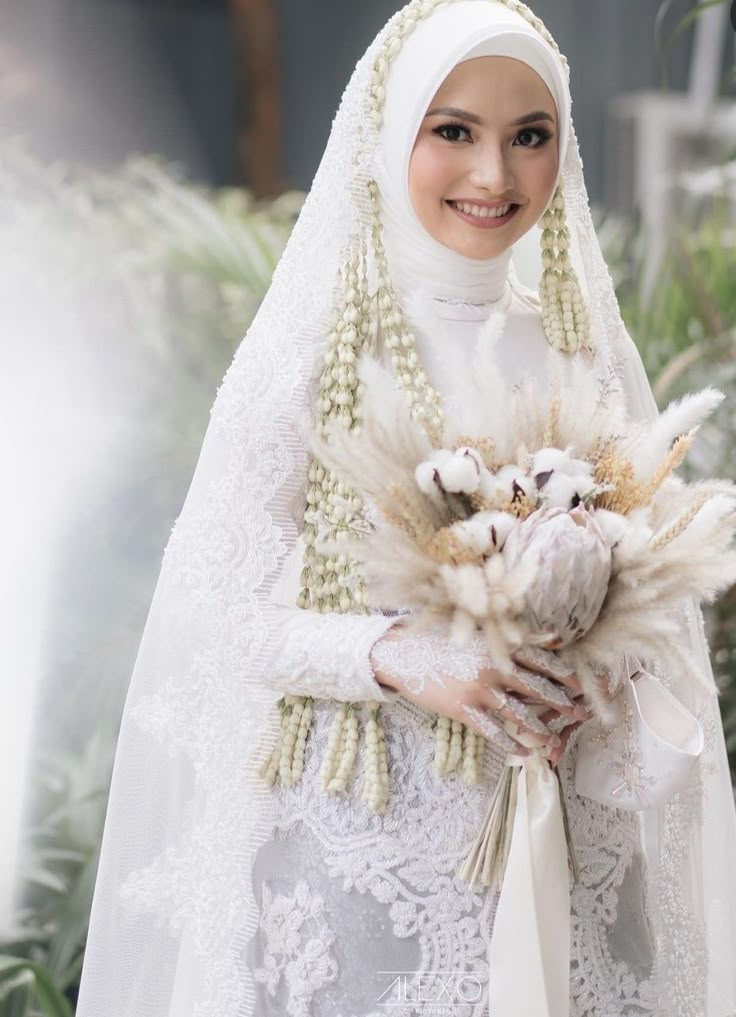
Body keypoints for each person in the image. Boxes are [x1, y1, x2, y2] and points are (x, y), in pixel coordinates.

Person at [75, 2, 736, 1016]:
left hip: (555, 851)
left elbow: (647, 601)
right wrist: (398, 657)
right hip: (354, 870)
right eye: (453, 131)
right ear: (389, 137)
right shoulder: (314, 356)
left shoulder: (579, 355)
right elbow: (209, 613)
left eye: (530, 137)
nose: (495, 176)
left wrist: (593, 659)